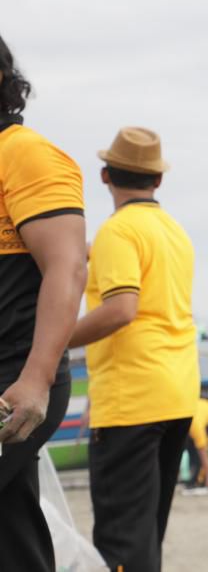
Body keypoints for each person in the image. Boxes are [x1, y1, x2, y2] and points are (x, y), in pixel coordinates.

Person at [70, 126, 199, 572]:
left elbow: (122, 309)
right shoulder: (174, 232)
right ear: (158, 179)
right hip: (177, 392)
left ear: (105, 175)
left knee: (122, 540)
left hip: (131, 397)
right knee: (146, 534)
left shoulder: (118, 231)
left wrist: (53, 340)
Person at [0, 34, 88, 572]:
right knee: (11, 528)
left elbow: (67, 266)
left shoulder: (23, 153)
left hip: (14, 377)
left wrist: (36, 378)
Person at [181, 397, 208, 495]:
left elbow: (203, 453)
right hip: (205, 408)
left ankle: (203, 483)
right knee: (192, 449)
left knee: (199, 451)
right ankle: (194, 481)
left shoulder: (195, 428)